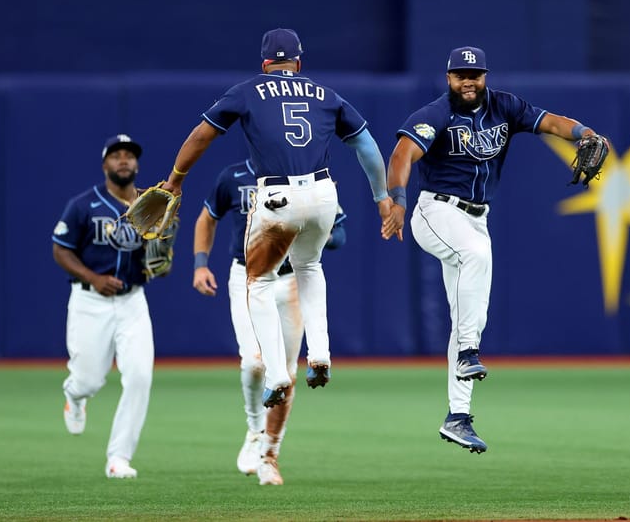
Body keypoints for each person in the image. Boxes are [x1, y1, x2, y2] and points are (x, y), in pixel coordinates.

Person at [382, 46, 608, 454]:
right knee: (477, 258)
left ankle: (457, 416)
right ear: (447, 78)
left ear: (485, 75)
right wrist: (397, 199)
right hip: (435, 211)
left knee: (465, 306)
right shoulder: (436, 114)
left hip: (475, 219)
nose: (468, 81)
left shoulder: (505, 106)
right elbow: (403, 154)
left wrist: (586, 134)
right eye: (460, 75)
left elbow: (553, 122)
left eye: (476, 74)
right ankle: (470, 350)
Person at [160, 27, 393, 408]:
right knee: (310, 266)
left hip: (278, 195)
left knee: (259, 282)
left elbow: (202, 135)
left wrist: (176, 179)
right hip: (323, 194)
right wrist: (382, 197)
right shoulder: (325, 93)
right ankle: (320, 355)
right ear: (298, 62)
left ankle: (277, 372)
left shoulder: (248, 90)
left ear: (265, 63)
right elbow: (365, 143)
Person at [192, 159, 347, 486]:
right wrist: (200, 264)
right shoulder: (233, 175)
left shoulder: (304, 178)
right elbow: (207, 218)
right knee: (254, 363)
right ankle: (254, 429)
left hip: (290, 280)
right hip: (247, 276)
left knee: (285, 374)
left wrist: (319, 235)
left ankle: (269, 456)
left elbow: (339, 230)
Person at [52, 134, 169, 478]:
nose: (123, 160)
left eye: (129, 156)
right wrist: (93, 275)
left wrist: (159, 259)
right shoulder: (83, 204)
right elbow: (60, 249)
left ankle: (119, 457)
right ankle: (74, 396)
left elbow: (159, 256)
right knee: (88, 380)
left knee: (140, 377)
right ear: (105, 164)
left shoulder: (149, 206)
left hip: (133, 301)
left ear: (137, 164)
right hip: (90, 299)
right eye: (116, 155)